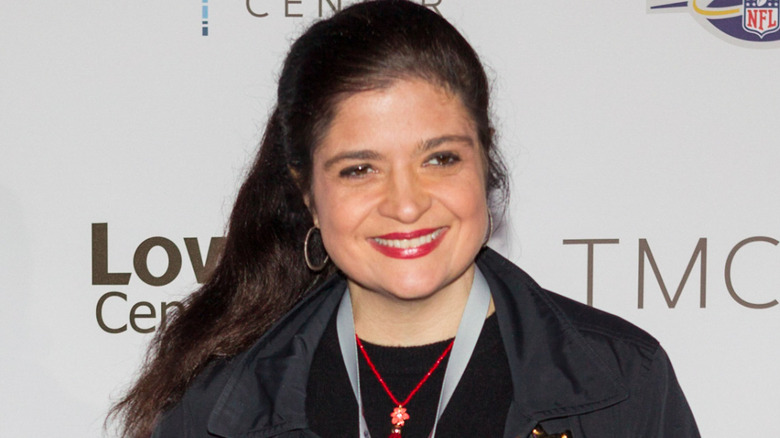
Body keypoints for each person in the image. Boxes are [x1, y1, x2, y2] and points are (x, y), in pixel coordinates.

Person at [110, 1, 701, 437]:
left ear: (484, 163)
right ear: (307, 193)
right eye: (359, 169)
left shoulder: (623, 385)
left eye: (439, 158)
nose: (408, 203)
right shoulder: (216, 411)